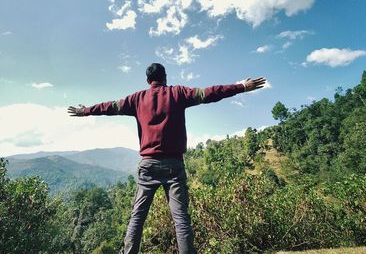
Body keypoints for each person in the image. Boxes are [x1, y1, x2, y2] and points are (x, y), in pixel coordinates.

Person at [68, 63, 266, 254]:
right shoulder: (177, 93)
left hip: (148, 167)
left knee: (137, 217)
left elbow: (110, 106)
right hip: (174, 166)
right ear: (165, 77)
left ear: (148, 80)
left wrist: (84, 111)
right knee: (180, 219)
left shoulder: (137, 99)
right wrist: (241, 87)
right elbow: (209, 93)